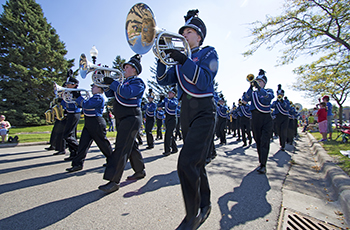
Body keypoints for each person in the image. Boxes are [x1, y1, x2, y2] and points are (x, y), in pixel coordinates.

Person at [156, 9, 218, 229]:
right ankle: (206, 204)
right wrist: (161, 56)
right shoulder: (181, 62)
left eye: (188, 32)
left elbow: (203, 82)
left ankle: (192, 216)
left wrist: (184, 59)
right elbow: (164, 80)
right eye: (182, 31)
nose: (183, 35)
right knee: (197, 162)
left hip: (203, 111)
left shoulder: (208, 53)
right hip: (186, 113)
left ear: (199, 36)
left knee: (186, 162)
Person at [99, 54, 146, 193]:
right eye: (124, 66)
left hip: (131, 117)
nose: (124, 68)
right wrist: (106, 83)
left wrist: (113, 82)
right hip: (123, 118)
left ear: (135, 70)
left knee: (121, 148)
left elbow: (126, 93)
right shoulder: (122, 83)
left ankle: (113, 181)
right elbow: (110, 95)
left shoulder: (138, 82)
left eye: (128, 67)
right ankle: (140, 170)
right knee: (131, 147)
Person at [66, 83, 112, 172]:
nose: (92, 88)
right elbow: (82, 105)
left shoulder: (98, 97)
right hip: (89, 122)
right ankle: (77, 164)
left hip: (96, 122)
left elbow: (87, 105)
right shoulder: (92, 97)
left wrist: (79, 97)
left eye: (94, 87)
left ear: (99, 89)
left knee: (103, 144)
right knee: (83, 145)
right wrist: (74, 98)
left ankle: (112, 160)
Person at [242, 69, 274, 174]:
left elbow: (267, 98)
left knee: (265, 141)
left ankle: (263, 164)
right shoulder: (253, 93)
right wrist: (250, 87)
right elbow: (245, 99)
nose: (257, 83)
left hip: (266, 119)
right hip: (255, 119)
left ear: (264, 83)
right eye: (257, 81)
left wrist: (259, 88)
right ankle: (261, 161)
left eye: (260, 81)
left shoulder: (269, 91)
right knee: (258, 141)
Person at [60, 71, 82, 161]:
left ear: (74, 85)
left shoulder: (76, 92)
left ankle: (79, 149)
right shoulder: (67, 92)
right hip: (69, 113)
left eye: (69, 84)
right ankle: (73, 153)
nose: (67, 85)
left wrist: (74, 97)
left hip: (75, 114)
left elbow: (78, 104)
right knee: (70, 135)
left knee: (67, 135)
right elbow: (64, 104)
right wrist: (61, 98)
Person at [157, 87, 178, 156]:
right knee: (170, 134)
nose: (168, 94)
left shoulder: (175, 100)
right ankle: (175, 148)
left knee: (168, 135)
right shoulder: (167, 101)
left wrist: (166, 99)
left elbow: (173, 105)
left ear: (174, 94)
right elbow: (159, 106)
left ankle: (167, 150)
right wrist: (160, 100)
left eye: (170, 93)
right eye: (168, 92)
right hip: (167, 118)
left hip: (173, 119)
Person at [271, 85, 290, 151]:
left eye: (281, 94)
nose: (280, 95)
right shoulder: (275, 102)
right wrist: (276, 101)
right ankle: (281, 143)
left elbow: (287, 108)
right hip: (278, 117)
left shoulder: (286, 101)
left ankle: (283, 145)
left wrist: (282, 102)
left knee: (283, 131)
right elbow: (272, 106)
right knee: (279, 131)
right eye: (279, 94)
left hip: (285, 117)